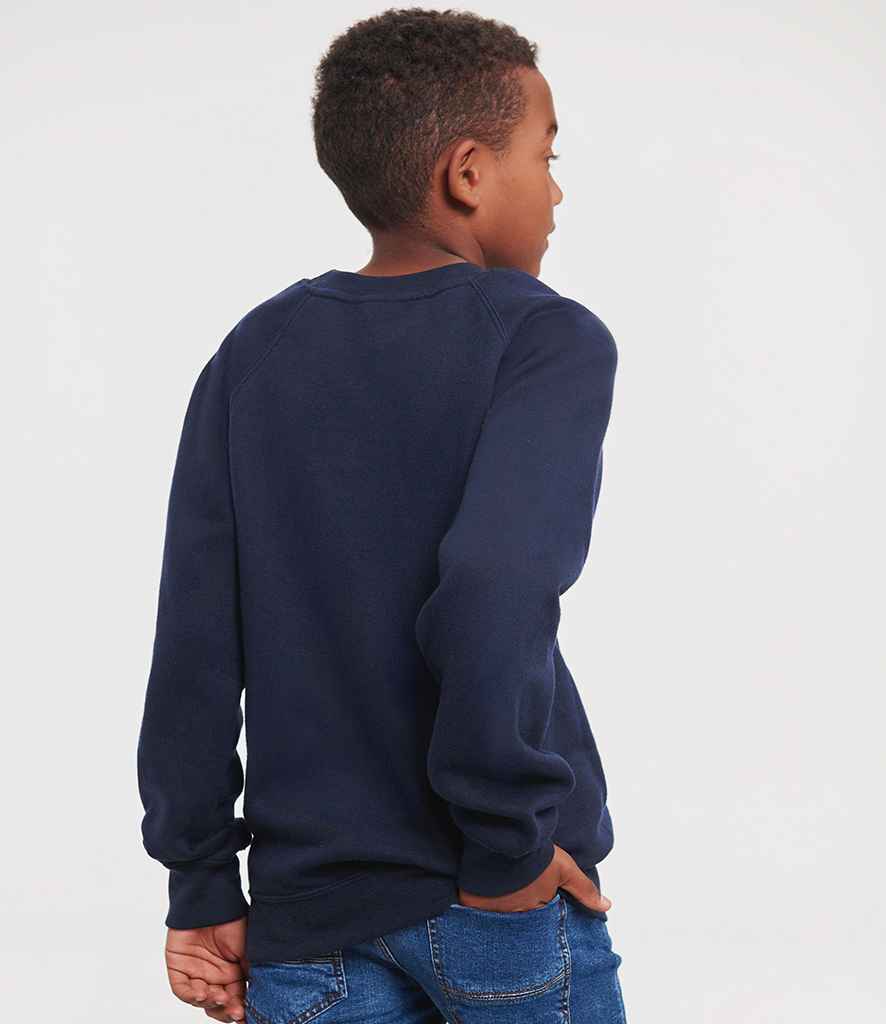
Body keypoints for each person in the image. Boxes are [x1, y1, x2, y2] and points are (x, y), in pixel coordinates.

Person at [136, 8, 626, 1022]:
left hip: (307, 918)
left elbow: (195, 638)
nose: (557, 189)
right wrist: (506, 847)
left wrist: (200, 885)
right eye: (546, 156)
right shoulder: (543, 339)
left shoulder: (253, 355)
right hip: (492, 901)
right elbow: (492, 586)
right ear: (468, 173)